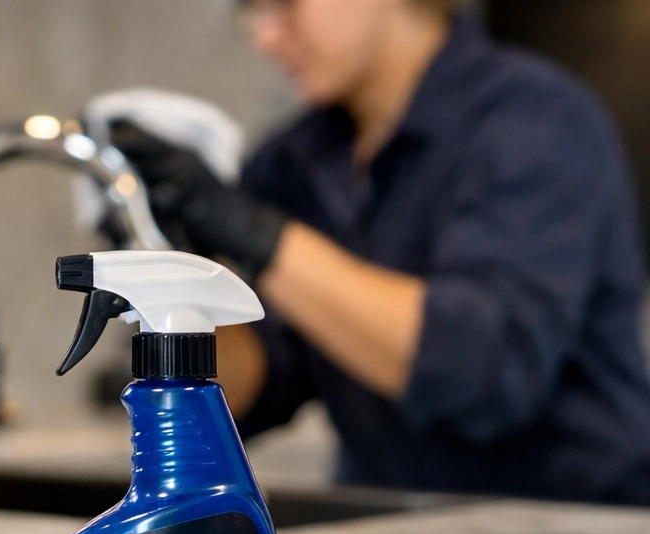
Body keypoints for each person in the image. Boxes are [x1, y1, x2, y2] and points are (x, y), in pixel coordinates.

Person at [108, 0, 650, 504]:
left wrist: (252, 233)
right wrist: (163, 260)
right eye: (252, 10)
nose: (267, 36)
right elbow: (253, 386)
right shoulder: (296, 159)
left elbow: (481, 368)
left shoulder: (539, 123)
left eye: (286, 3)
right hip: (393, 532)